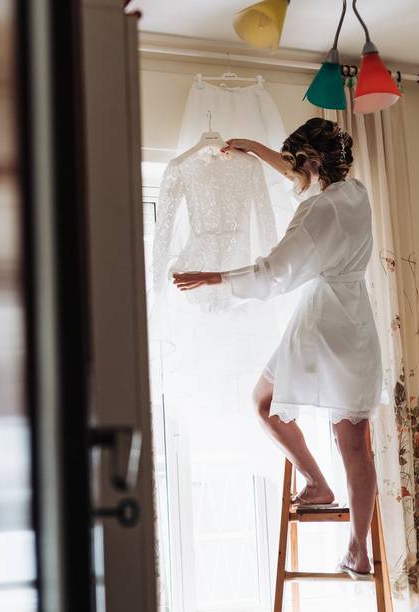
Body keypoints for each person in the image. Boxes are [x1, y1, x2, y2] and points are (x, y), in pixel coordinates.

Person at [171, 117, 382, 580]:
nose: (293, 176)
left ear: (311, 161)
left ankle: (316, 482)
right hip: (358, 327)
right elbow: (303, 177)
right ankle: (358, 551)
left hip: (322, 324)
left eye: (296, 165)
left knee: (262, 403)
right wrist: (255, 147)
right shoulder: (357, 194)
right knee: (355, 442)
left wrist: (214, 276)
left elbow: (274, 273)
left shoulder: (316, 212)